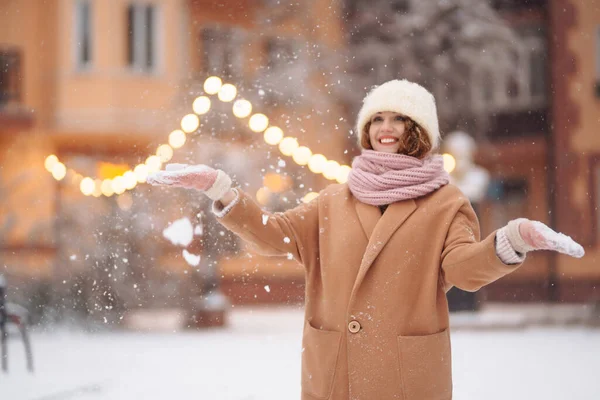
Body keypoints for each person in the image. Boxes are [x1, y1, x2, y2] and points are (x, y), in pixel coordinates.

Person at [147, 79, 584, 400]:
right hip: (336, 373)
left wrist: (513, 239)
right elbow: (273, 235)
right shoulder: (332, 200)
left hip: (406, 378)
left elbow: (464, 271)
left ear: (419, 131)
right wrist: (219, 189)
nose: (385, 128)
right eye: (377, 118)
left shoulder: (445, 203)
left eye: (398, 118)